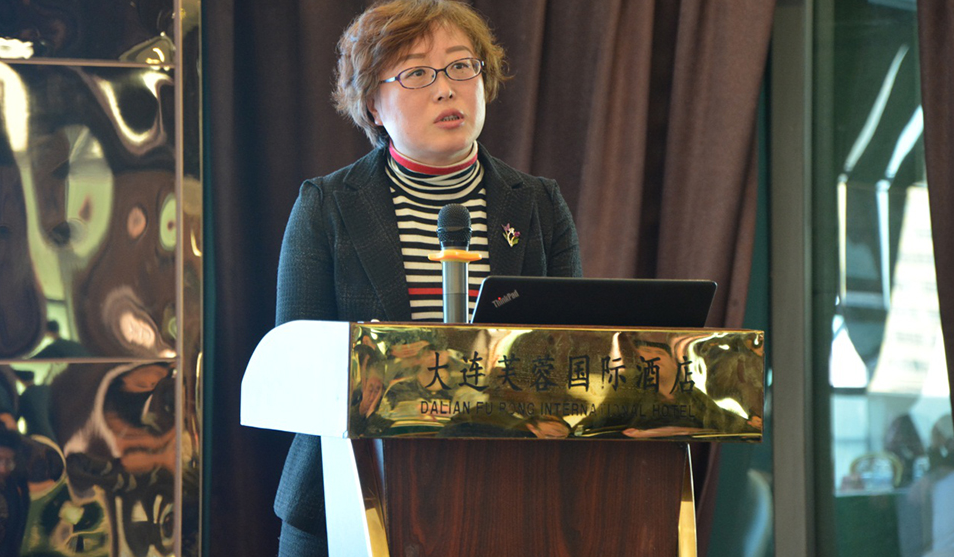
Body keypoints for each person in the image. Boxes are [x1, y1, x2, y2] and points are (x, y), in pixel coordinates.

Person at [273, 0, 582, 554]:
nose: (446, 89)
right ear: (372, 103)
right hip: (348, 495)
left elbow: (570, 357)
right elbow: (297, 368)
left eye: (461, 66)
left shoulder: (539, 205)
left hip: (509, 497)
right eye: (417, 73)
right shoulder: (327, 205)